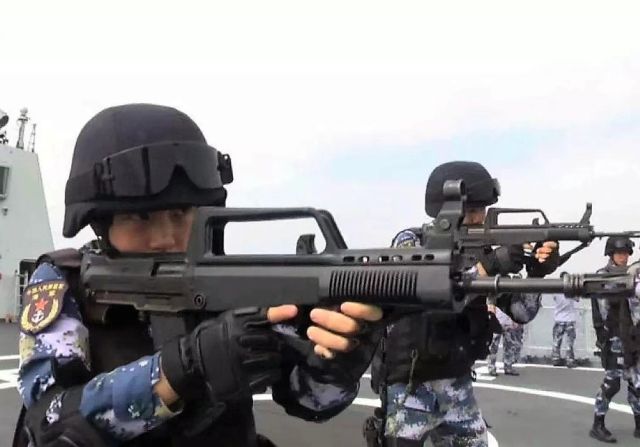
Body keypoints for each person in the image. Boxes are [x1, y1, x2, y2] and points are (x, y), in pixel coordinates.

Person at [14, 104, 384, 447]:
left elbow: (308, 401)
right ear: (99, 223)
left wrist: (336, 364)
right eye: (139, 217)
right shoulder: (67, 284)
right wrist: (184, 367)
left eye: (181, 214)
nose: (166, 237)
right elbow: (50, 424)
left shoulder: (228, 283)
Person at [369, 161, 560, 446]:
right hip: (409, 386)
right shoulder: (411, 242)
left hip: (457, 384)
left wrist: (536, 272)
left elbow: (521, 312)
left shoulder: (482, 252)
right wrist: (490, 265)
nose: (478, 218)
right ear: (443, 210)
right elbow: (426, 291)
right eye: (470, 211)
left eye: (482, 211)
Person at [590, 236, 640, 443]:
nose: (623, 257)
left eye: (626, 253)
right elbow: (600, 311)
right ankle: (597, 424)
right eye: (619, 253)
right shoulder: (602, 277)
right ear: (611, 254)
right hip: (614, 337)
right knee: (612, 384)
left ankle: (639, 423)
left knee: (636, 383)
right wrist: (603, 337)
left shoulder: (634, 275)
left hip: (633, 337)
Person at [487, 305, 524, 376]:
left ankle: (508, 367)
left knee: (509, 346)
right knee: (493, 346)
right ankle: (491, 367)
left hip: (509, 323)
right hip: (496, 322)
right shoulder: (495, 298)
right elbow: (490, 304)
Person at [550, 285, 579, 368]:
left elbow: (554, 298)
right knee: (569, 342)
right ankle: (569, 360)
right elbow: (577, 299)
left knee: (556, 341)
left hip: (558, 318)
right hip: (570, 318)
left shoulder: (556, 290)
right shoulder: (571, 290)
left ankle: (555, 358)